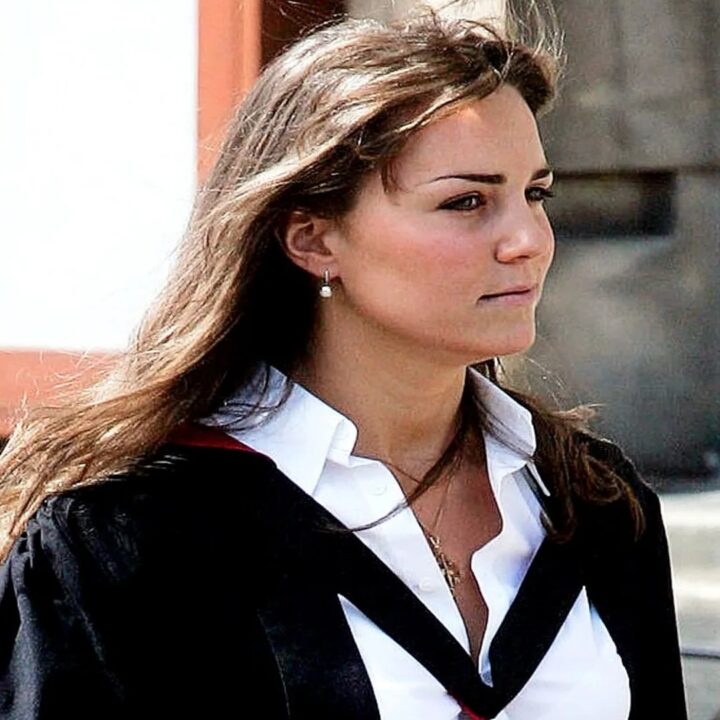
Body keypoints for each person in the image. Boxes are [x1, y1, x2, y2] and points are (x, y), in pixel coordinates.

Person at [0, 7, 686, 720]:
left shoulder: (593, 501)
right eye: (466, 201)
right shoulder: (129, 538)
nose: (529, 240)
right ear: (313, 239)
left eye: (535, 194)